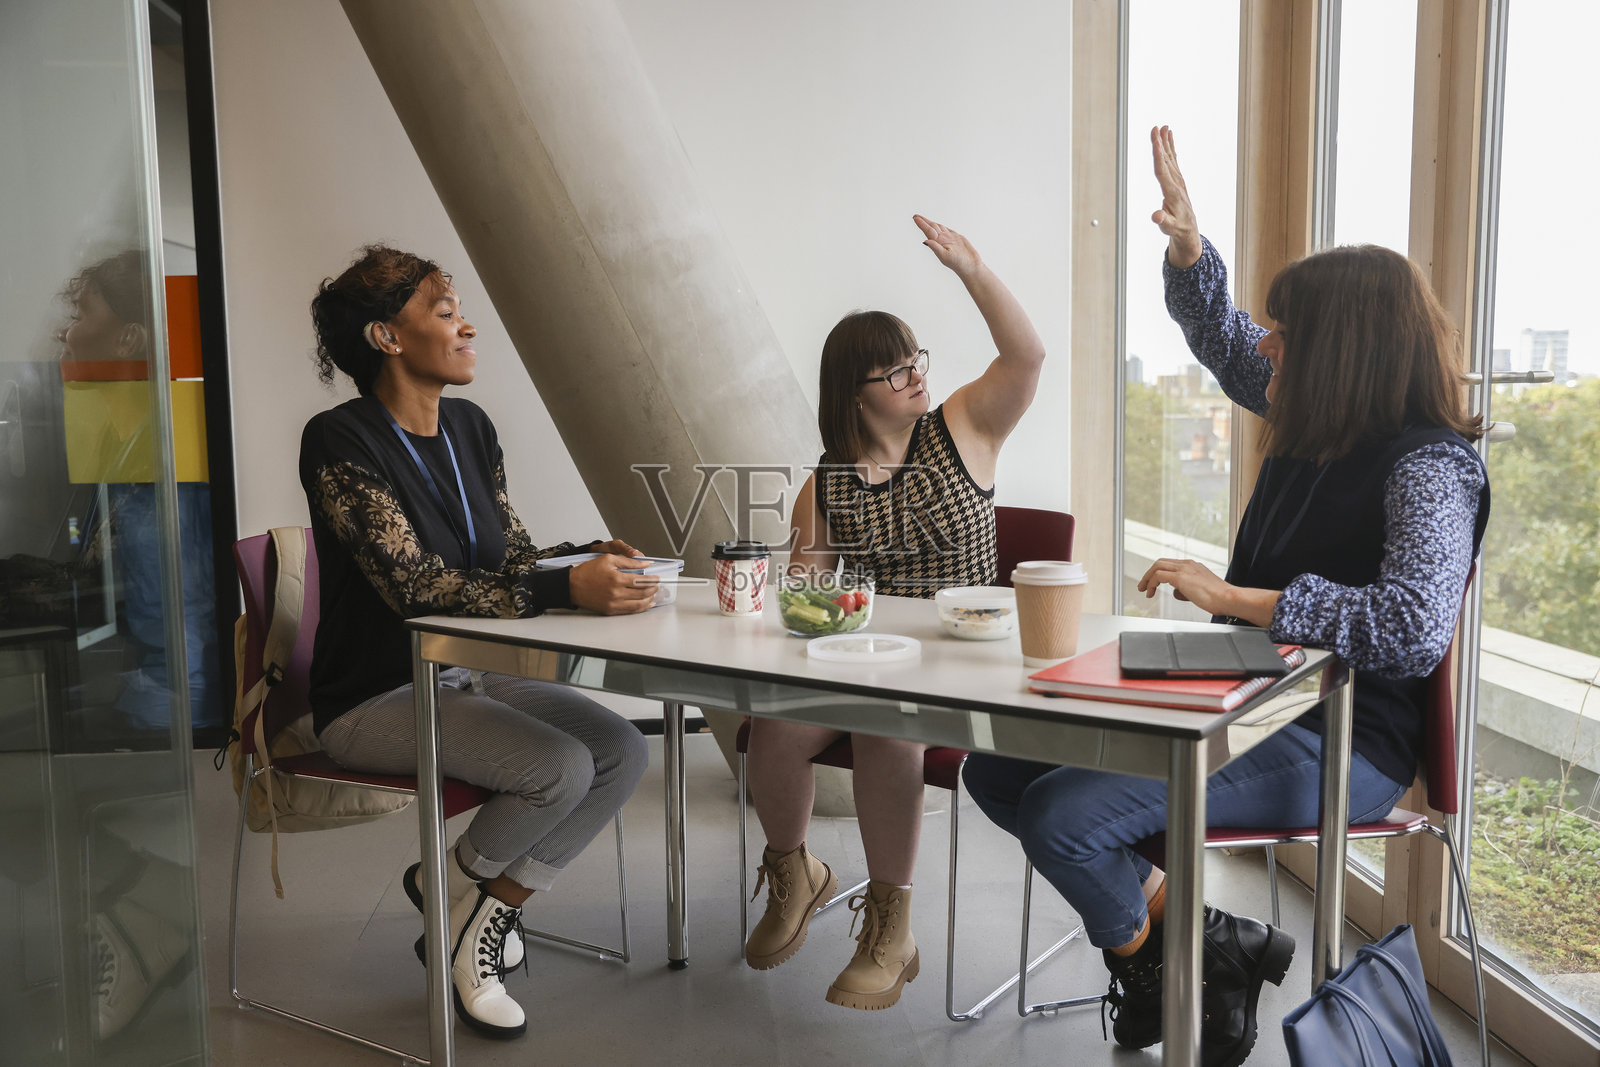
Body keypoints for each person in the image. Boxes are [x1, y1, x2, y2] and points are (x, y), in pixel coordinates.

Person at [962, 126, 1490, 1067]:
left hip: (1336, 735)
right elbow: (1229, 342)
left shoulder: (1431, 467)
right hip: (1237, 697)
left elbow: (1409, 628)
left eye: (1287, 331)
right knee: (997, 768)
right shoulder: (1312, 409)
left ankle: (1161, 967)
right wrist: (1188, 247)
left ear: (1345, 351)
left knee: (1058, 817)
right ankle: (1202, 945)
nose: (1268, 343)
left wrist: (1239, 597)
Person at [299, 245, 654, 1039]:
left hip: (467, 677)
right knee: (558, 767)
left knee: (624, 749)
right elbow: (415, 589)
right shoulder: (338, 442)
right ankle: (475, 937)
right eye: (445, 308)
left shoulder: (469, 426)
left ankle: (465, 897)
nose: (468, 325)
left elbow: (511, 559)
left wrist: (587, 559)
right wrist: (563, 588)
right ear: (388, 337)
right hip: (375, 694)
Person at [745, 215, 1046, 1010]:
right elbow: (804, 601)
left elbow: (1027, 356)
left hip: (968, 665)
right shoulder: (829, 484)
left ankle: (892, 924)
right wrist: (802, 590)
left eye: (916, 359)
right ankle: (795, 872)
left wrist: (973, 268)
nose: (915, 375)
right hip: (874, 662)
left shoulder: (964, 428)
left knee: (886, 723)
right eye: (893, 369)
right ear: (855, 395)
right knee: (771, 728)